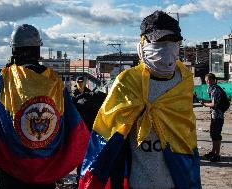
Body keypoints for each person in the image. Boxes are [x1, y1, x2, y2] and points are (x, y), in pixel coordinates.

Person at [79, 10, 201, 189]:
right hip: (139, 182)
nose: (167, 48)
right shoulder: (128, 82)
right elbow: (107, 133)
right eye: (159, 41)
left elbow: (187, 134)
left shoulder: (184, 80)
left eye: (173, 41)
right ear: (143, 43)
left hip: (177, 180)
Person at [0, 24, 90, 189]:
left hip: (11, 172)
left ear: (14, 50)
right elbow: (72, 124)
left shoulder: (0, 80)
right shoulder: (55, 81)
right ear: (38, 50)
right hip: (47, 172)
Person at [201, 73, 226, 162]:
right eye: (206, 80)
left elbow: (214, 104)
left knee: (216, 135)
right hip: (214, 115)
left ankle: (217, 154)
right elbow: (212, 101)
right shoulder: (212, 89)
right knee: (213, 134)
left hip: (218, 116)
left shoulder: (215, 90)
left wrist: (205, 104)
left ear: (213, 80)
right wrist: (205, 101)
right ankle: (213, 152)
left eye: (208, 80)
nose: (207, 82)